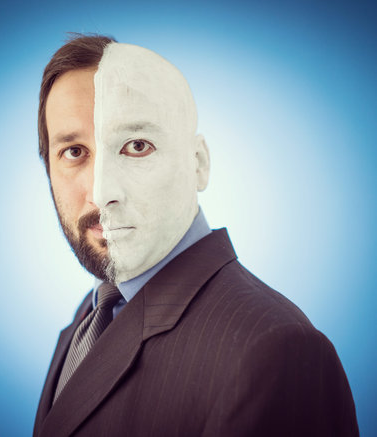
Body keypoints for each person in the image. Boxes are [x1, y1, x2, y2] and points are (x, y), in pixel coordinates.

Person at [33, 34, 358, 437]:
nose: (101, 193)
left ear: (199, 163)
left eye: (136, 146)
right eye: (74, 152)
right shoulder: (93, 313)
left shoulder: (277, 350)